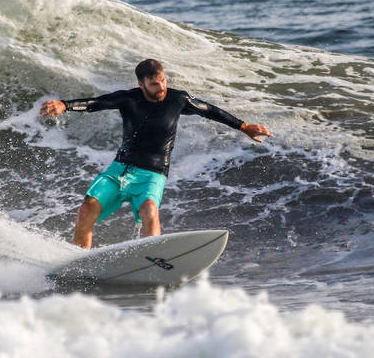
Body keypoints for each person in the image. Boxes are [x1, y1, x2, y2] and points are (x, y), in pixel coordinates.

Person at [39, 59, 272, 248]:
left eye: (162, 81)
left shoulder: (177, 99)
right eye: (154, 84)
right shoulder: (128, 98)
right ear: (141, 84)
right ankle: (80, 261)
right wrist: (64, 105)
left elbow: (209, 110)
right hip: (119, 169)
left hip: (152, 173)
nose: (161, 88)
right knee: (87, 207)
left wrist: (243, 126)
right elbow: (95, 103)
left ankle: (152, 257)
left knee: (150, 209)